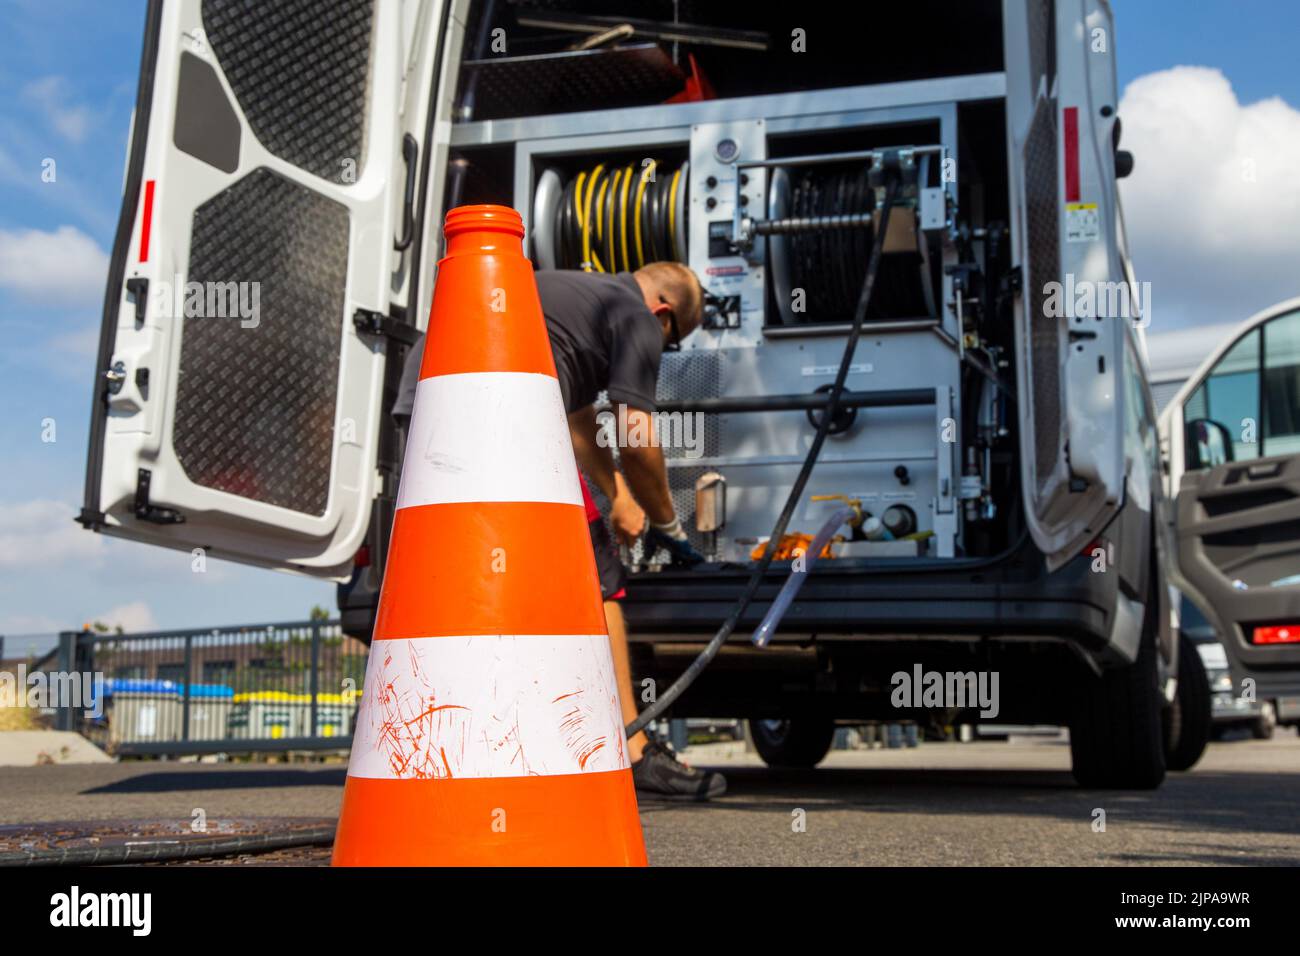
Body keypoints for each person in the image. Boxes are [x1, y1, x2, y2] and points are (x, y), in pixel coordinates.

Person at [394, 262, 726, 800]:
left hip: (428, 404)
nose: (661, 352)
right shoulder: (635, 317)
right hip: (500, 414)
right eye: (671, 343)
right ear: (663, 314)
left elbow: (575, 420)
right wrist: (668, 523)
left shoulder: (571, 298)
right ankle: (632, 750)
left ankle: (449, 747)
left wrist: (617, 495)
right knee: (601, 579)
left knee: (471, 576)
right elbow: (637, 440)